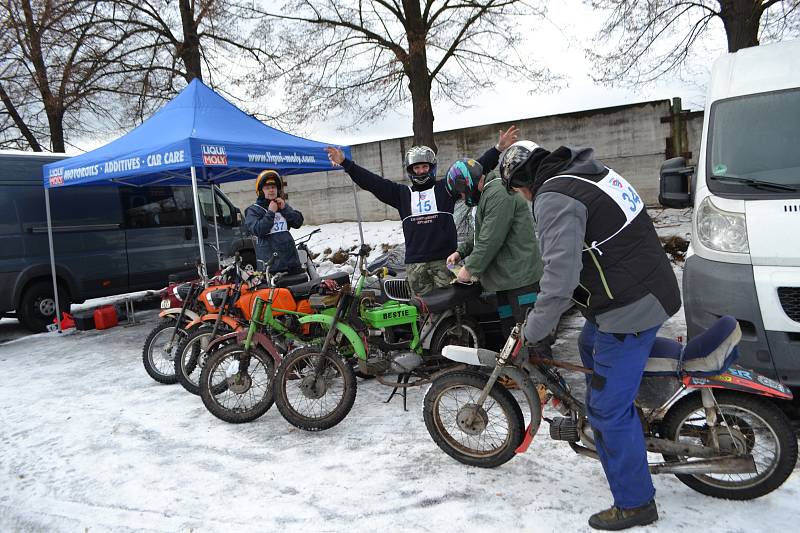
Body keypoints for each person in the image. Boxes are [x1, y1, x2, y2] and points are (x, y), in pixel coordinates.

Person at [499, 141, 680, 530]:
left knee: (607, 411)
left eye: (517, 191)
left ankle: (635, 503)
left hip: (628, 309)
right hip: (642, 287)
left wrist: (532, 331)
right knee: (587, 344)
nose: (522, 198)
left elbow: (559, 280)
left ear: (523, 181)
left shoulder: (553, 196)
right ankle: (628, 404)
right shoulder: (586, 172)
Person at [324, 126, 519, 295]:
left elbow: (472, 170)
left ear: (431, 168)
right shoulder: (401, 194)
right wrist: (346, 163)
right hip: (415, 266)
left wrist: (498, 149)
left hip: (445, 262)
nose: (421, 171)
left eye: (425, 166)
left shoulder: (446, 188)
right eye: (416, 168)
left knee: (453, 311)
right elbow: (372, 182)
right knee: (423, 315)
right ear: (410, 170)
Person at [444, 160, 544, 340]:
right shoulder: (489, 194)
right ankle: (519, 368)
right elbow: (481, 233)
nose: (461, 196)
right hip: (506, 281)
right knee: (511, 337)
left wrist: (470, 268)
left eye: (460, 192)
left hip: (520, 279)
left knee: (530, 338)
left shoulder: (498, 194)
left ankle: (542, 368)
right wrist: (461, 252)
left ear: (467, 183)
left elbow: (491, 239)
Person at [245, 169, 304, 274]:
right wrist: (271, 213)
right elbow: (258, 230)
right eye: (267, 188)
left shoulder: (282, 206)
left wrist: (285, 208)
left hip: (291, 262)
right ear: (261, 191)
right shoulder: (253, 210)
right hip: (271, 266)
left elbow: (298, 222)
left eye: (273, 187)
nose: (271, 190)